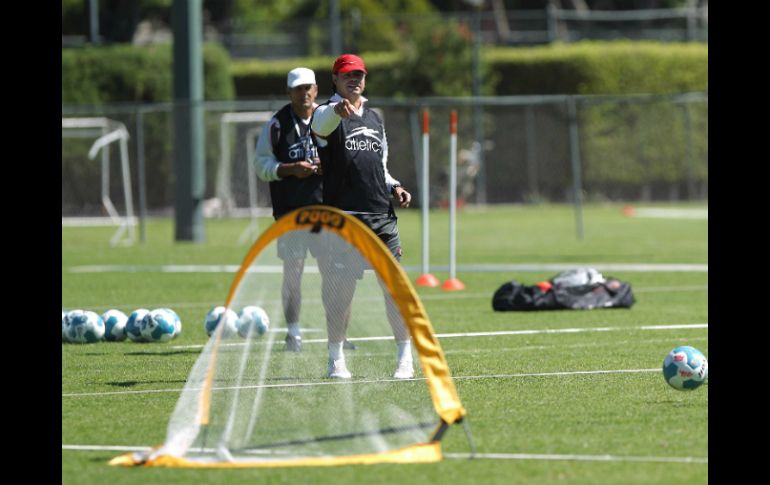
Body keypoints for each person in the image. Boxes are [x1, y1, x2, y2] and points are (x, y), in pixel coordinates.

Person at [311, 54, 414, 380]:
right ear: (336, 80)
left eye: (359, 75)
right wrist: (335, 112)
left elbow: (380, 166)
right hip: (345, 221)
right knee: (340, 294)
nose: (354, 80)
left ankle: (404, 358)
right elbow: (320, 125)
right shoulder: (326, 113)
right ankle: (336, 359)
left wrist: (395, 186)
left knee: (394, 289)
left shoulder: (373, 117)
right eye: (347, 76)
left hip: (382, 217)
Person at [255, 67, 356, 353]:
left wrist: (330, 168)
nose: (304, 93)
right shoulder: (277, 125)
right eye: (298, 89)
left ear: (316, 89)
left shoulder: (331, 116)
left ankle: (337, 336)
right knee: (293, 272)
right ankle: (293, 334)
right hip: (291, 212)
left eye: (308, 87)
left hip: (327, 210)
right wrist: (290, 170)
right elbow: (261, 166)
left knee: (334, 274)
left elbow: (348, 160)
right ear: (289, 93)